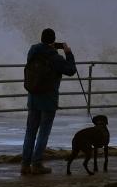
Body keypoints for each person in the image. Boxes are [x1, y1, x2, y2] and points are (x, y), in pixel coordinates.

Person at [21, 28, 76, 175]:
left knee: (30, 132)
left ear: (41, 38)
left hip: (33, 97)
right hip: (48, 99)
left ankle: (25, 165)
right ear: (53, 41)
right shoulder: (55, 57)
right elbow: (71, 70)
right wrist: (68, 52)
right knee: (43, 132)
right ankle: (37, 164)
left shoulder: (32, 51)